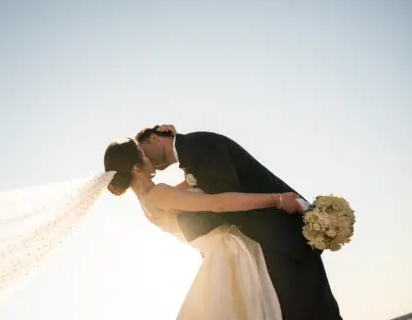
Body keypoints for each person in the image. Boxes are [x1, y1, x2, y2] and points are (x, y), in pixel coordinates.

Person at [134, 125, 343, 319]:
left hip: (278, 237)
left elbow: (224, 198)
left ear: (154, 138)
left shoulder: (199, 147)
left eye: (143, 152)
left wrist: (278, 200)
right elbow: (205, 195)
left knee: (311, 310)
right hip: (267, 242)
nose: (146, 160)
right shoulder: (192, 155)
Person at [103, 137, 304, 319]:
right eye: (142, 155)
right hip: (232, 255)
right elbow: (218, 204)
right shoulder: (159, 194)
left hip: (216, 256)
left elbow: (193, 183)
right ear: (136, 167)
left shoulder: (148, 202)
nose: (147, 157)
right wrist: (276, 200)